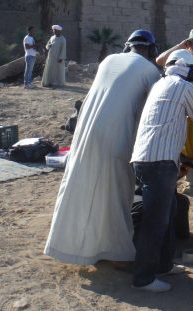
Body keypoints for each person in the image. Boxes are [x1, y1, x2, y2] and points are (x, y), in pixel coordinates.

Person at [43, 30, 161, 266]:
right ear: (151, 49)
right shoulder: (151, 71)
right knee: (117, 194)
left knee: (82, 188)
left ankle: (70, 247)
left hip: (85, 134)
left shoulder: (108, 60)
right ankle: (117, 254)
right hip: (117, 136)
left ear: (128, 46)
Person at [130, 49, 193, 293]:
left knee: (170, 210)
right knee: (155, 221)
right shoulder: (183, 87)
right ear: (190, 69)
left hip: (144, 159)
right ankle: (143, 278)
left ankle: (164, 264)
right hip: (160, 163)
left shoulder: (159, 84)